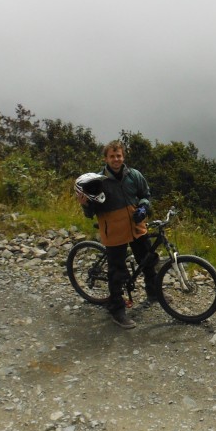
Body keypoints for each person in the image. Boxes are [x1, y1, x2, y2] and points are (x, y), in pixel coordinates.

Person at [75, 141, 158, 329]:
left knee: (148, 261)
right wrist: (85, 204)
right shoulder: (97, 182)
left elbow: (146, 194)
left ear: (124, 156)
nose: (116, 159)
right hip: (113, 230)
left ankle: (154, 293)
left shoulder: (134, 175)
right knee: (117, 272)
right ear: (106, 158)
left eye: (119, 155)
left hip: (136, 226)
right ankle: (117, 310)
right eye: (112, 156)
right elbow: (90, 214)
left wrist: (144, 206)